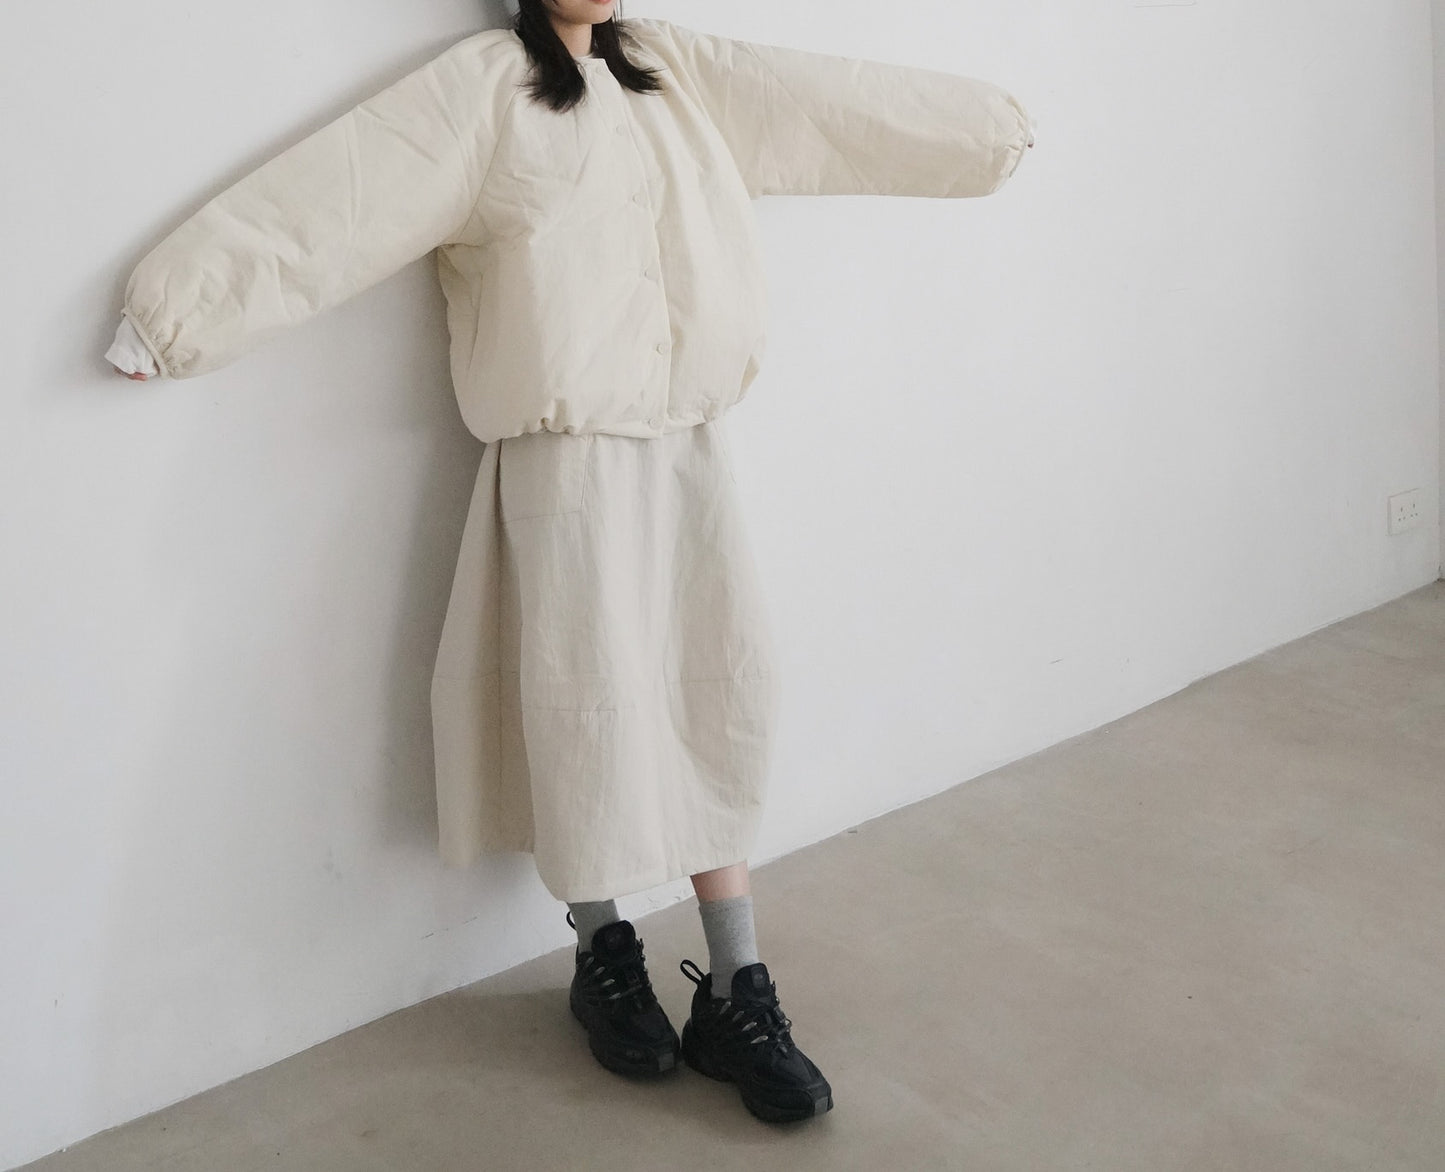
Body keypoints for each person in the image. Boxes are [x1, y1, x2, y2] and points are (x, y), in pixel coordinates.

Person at [106, 0, 1035, 1124]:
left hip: (687, 449)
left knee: (714, 699)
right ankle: (604, 952)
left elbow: (830, 109)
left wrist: (989, 135)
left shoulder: (675, 70)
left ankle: (737, 988)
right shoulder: (485, 89)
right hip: (563, 461)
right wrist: (175, 315)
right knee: (579, 712)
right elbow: (339, 199)